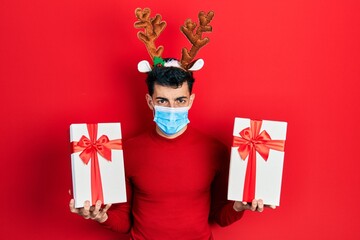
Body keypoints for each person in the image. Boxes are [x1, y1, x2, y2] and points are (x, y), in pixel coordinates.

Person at [69, 58, 274, 239]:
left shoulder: (216, 150)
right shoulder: (125, 151)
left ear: (191, 100)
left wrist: (239, 207)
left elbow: (219, 217)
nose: (172, 109)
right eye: (162, 101)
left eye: (180, 100)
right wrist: (102, 216)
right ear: (150, 102)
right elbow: (125, 221)